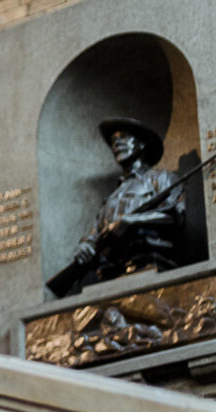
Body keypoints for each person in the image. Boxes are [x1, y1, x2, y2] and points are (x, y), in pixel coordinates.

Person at [69, 117, 185, 286]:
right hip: (108, 274)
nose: (116, 144)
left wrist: (130, 221)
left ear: (142, 144)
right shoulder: (111, 197)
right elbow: (94, 234)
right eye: (113, 141)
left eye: (123, 137)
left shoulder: (161, 178)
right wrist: (85, 246)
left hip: (149, 265)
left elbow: (176, 216)